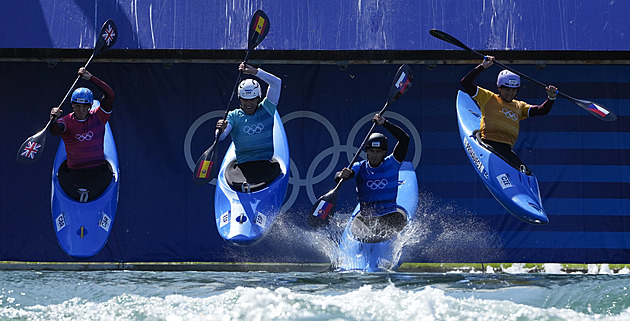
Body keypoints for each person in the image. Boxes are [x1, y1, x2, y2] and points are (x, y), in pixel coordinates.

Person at [460, 56, 558, 173]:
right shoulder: (488, 97)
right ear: (499, 88)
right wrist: (483, 66)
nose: (510, 93)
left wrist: (551, 98)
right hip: (488, 144)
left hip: (506, 149)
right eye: (507, 89)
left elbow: (542, 110)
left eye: (513, 90)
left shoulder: (519, 106)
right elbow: (465, 83)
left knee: (526, 172)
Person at [335, 114, 410, 243]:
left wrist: (385, 123)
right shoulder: (359, 167)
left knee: (397, 223)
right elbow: (341, 177)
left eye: (378, 152)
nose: (374, 155)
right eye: (371, 151)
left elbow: (405, 139)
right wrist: (342, 175)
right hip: (366, 219)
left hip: (390, 215)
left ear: (384, 153)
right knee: (364, 234)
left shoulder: (393, 163)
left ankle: (381, 243)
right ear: (367, 152)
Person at [50, 67, 115, 202]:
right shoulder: (66, 121)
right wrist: (53, 120)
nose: (81, 110)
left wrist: (90, 78)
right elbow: (55, 130)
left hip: (98, 171)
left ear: (90, 106)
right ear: (72, 106)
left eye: (84, 106)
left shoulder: (99, 116)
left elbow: (110, 95)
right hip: (74, 174)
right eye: (77, 106)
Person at [215, 63, 282, 192]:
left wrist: (256, 72)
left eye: (252, 99)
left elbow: (276, 83)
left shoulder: (267, 109)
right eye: (245, 100)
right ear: (240, 99)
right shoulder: (233, 116)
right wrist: (220, 129)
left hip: (265, 164)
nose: (248, 104)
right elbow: (221, 136)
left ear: (258, 98)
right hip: (243, 167)